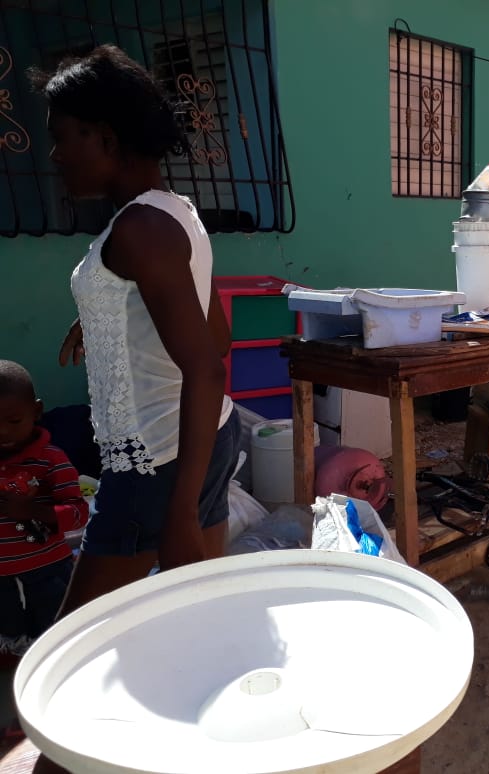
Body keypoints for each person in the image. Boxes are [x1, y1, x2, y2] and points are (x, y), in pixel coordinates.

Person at [33, 44, 239, 617]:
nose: (55, 153)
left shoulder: (139, 230)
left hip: (156, 463)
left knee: (71, 646)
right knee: (202, 617)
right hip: (208, 437)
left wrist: (178, 516)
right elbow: (213, 334)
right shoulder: (174, 211)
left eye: (63, 135)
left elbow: (206, 364)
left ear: (105, 137)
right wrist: (103, 316)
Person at [0, 361, 88, 660]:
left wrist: (34, 510)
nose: (3, 432)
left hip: (46, 571)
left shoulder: (51, 460)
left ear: (36, 412)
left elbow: (78, 512)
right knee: (9, 633)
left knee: (52, 638)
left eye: (14, 420)